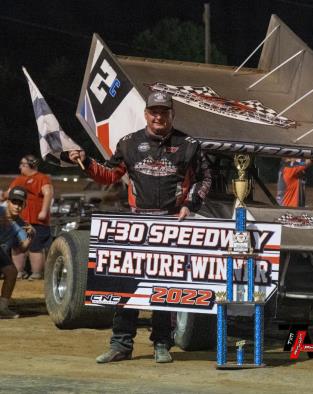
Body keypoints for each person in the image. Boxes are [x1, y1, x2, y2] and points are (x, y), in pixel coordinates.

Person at [68, 90, 212, 364]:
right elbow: (109, 174)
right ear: (146, 114)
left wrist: (190, 205)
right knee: (126, 286)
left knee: (163, 286)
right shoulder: (129, 143)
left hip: (171, 222)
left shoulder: (189, 144)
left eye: (164, 111)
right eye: (154, 111)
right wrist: (86, 161)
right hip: (136, 223)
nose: (159, 116)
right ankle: (121, 344)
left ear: (172, 115)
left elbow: (205, 178)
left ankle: (161, 344)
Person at [7, 154, 53, 280]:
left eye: (23, 164)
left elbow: (48, 193)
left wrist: (44, 211)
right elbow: (9, 193)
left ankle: (36, 274)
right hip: (19, 220)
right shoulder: (19, 180)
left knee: (35, 247)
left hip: (37, 220)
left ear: (31, 165)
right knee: (16, 247)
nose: (20, 167)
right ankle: (18, 273)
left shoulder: (42, 178)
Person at [0, 186, 35, 318]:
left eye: (20, 203)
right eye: (14, 202)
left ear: (24, 205)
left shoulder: (21, 224)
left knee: (12, 272)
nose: (17, 206)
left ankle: (2, 307)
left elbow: (22, 248)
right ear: (8, 202)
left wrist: (31, 236)